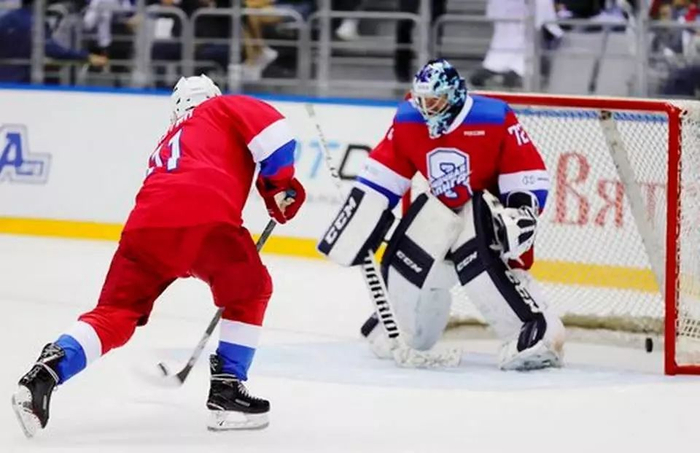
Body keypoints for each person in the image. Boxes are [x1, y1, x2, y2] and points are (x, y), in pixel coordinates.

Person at [11, 75, 306, 437]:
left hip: (145, 228)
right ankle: (228, 389)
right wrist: (278, 186)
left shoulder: (169, 139)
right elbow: (275, 133)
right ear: (212, 96)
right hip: (205, 219)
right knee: (250, 290)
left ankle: (45, 373)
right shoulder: (221, 108)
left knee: (114, 313)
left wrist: (274, 195)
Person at [317, 59, 565, 371]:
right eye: (422, 100)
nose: (428, 108)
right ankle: (404, 329)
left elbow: (525, 170)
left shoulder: (493, 117)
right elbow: (385, 172)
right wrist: (362, 213)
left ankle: (535, 330)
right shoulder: (408, 120)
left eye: (435, 100)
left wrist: (520, 210)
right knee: (406, 260)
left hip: (484, 209)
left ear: (455, 94)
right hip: (439, 209)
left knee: (481, 266)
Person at [0, 0, 108, 83]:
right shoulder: (35, 22)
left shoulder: (6, 19)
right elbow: (51, 49)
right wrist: (86, 57)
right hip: (23, 82)